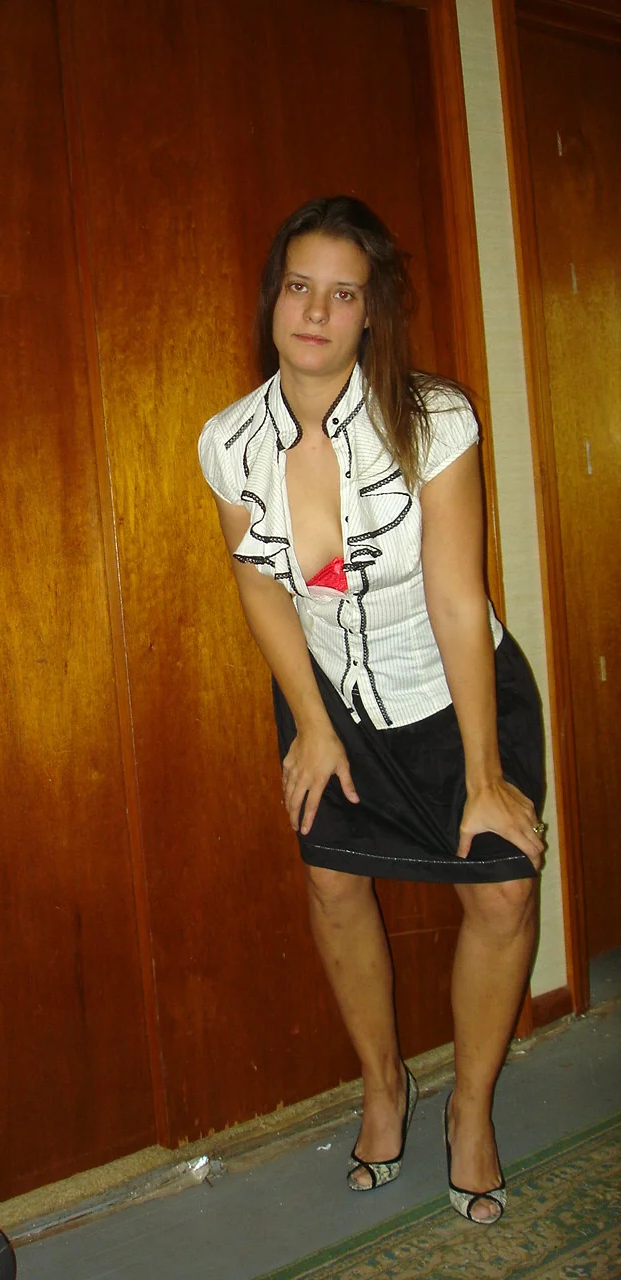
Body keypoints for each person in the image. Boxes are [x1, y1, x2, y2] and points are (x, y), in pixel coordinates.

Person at [198, 196, 546, 1226]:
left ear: (369, 312)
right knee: (334, 881)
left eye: (342, 293)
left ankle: (470, 1109)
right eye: (299, 286)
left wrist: (483, 773)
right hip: (329, 698)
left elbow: (456, 597)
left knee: (503, 895)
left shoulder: (435, 420)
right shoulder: (229, 443)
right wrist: (311, 722)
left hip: (452, 688)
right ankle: (384, 1084)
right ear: (274, 300)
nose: (316, 311)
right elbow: (262, 587)